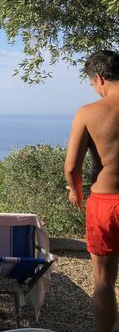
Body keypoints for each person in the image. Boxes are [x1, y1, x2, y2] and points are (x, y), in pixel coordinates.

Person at [65, 50, 119, 332]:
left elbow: (71, 167)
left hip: (105, 201)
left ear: (99, 78)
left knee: (103, 280)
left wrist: (76, 191)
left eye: (92, 84)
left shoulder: (88, 112)